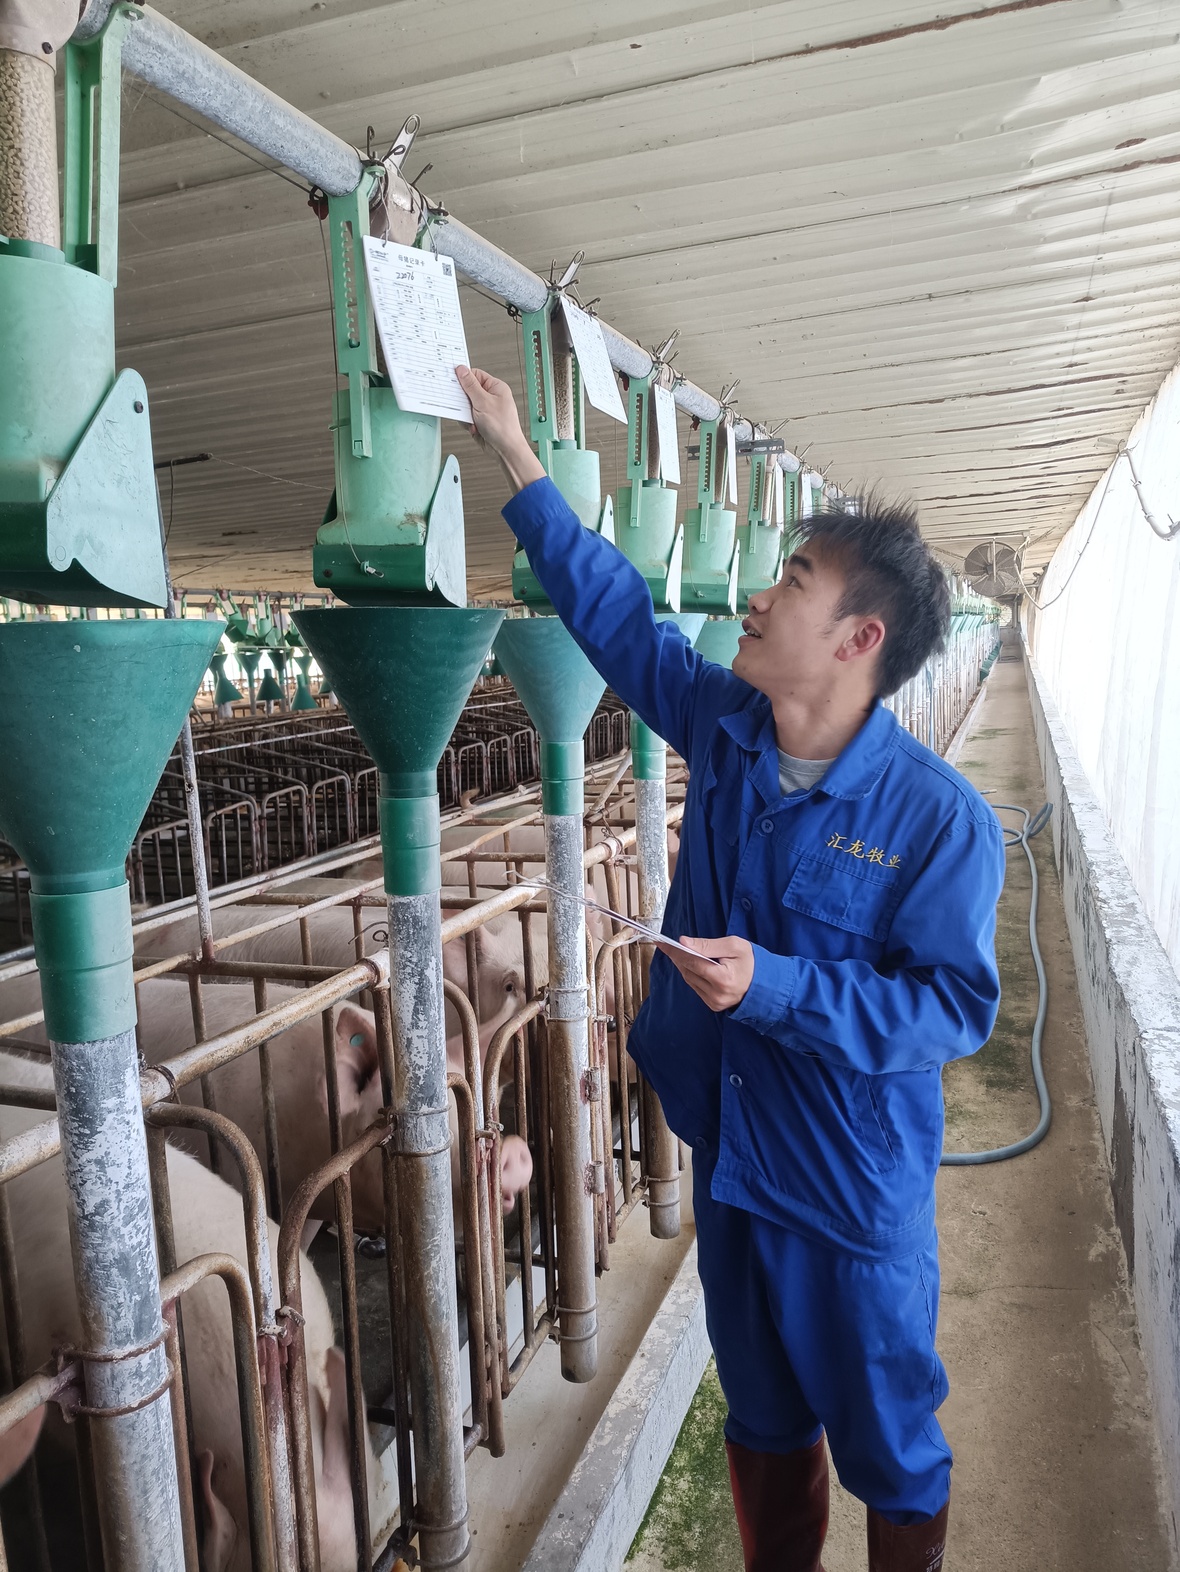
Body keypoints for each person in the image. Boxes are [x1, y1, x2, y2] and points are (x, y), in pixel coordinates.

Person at [457, 364, 1006, 1572]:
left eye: (790, 583)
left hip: (846, 1189)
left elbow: (950, 1009)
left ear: (858, 640)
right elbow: (617, 620)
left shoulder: (936, 821)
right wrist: (518, 456)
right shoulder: (726, 729)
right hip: (732, 1156)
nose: (756, 598)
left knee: (890, 1447)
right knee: (760, 1419)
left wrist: (776, 987)